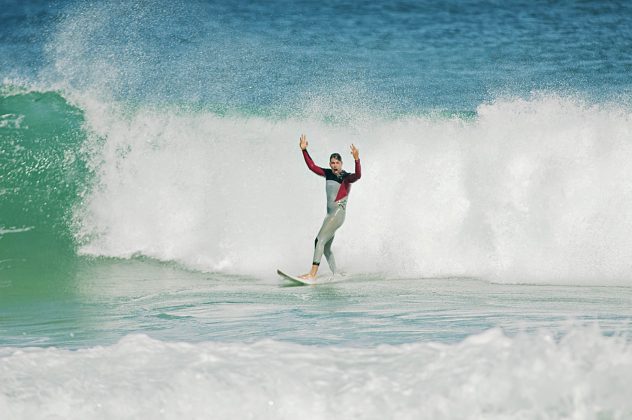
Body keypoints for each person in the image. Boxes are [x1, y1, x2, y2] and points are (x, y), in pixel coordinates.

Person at [299, 133, 361, 280]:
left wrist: (357, 159)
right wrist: (304, 150)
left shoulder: (346, 177)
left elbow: (358, 176)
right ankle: (336, 274)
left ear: (341, 164)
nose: (334, 165)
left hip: (337, 214)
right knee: (326, 247)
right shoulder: (327, 173)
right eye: (332, 163)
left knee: (319, 240)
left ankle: (312, 274)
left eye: (337, 163)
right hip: (329, 215)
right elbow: (312, 166)